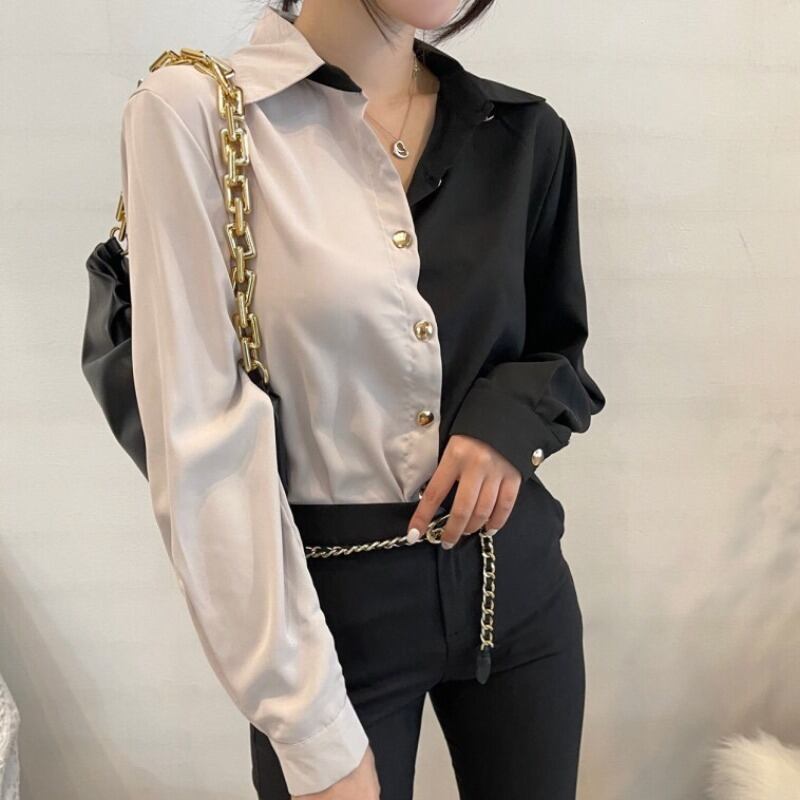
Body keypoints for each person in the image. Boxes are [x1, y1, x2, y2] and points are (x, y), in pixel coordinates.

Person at [117, 0, 606, 798]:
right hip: (328, 619)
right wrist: (308, 731)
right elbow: (200, 445)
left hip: (516, 587)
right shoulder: (197, 115)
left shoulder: (522, 135)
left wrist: (502, 427)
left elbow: (557, 350)